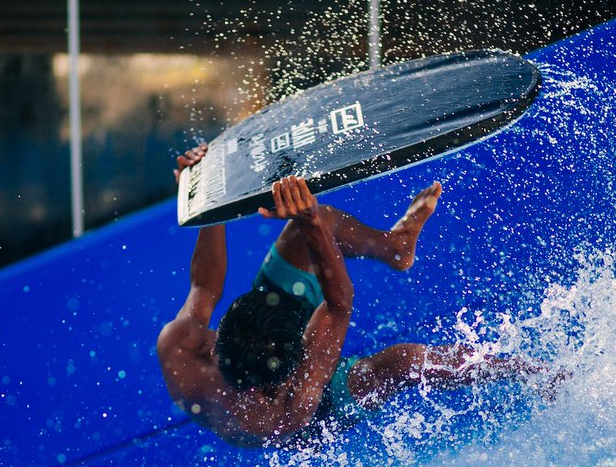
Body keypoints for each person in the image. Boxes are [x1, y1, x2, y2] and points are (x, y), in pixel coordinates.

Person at [157, 144, 542, 448]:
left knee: (318, 222)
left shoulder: (180, 346)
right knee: (402, 362)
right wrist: (305, 221)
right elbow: (339, 301)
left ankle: (396, 247)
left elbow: (204, 287)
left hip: (262, 360)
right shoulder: (289, 407)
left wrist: (207, 201)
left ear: (223, 334)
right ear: (299, 348)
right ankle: (521, 370)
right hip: (318, 418)